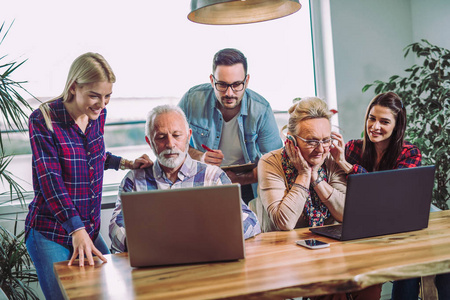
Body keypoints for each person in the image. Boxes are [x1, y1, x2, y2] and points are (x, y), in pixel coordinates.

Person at [25, 52, 151, 300]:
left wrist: (127, 163)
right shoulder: (43, 119)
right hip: (52, 233)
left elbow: (93, 156)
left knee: (109, 293)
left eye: (107, 97)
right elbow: (50, 180)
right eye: (94, 95)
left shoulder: (97, 115)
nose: (102, 104)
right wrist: (76, 230)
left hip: (87, 231)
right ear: (74, 88)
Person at [255, 97, 381, 299]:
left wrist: (317, 180)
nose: (321, 149)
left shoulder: (331, 160)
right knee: (331, 289)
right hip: (287, 252)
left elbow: (347, 214)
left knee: (370, 280)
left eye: (325, 140)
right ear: (292, 140)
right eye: (312, 141)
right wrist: (303, 175)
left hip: (331, 250)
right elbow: (284, 222)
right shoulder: (270, 163)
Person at [330, 91, 449, 300]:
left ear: (397, 126)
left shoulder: (410, 153)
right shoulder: (353, 148)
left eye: (384, 121)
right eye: (372, 118)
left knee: (442, 257)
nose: (375, 127)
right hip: (371, 220)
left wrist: (346, 165)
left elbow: (388, 194)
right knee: (409, 259)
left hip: (404, 216)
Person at [109, 105, 261, 253]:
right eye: (161, 137)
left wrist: (210, 237)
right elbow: (116, 227)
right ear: (149, 142)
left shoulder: (213, 176)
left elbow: (250, 221)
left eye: (176, 135)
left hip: (204, 261)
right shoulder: (134, 181)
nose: (170, 144)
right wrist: (153, 244)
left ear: (188, 136)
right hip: (152, 264)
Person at [178, 48, 282, 204]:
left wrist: (241, 180)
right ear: (212, 81)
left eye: (236, 85)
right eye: (222, 85)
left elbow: (277, 161)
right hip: (202, 179)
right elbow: (172, 145)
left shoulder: (261, 110)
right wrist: (200, 156)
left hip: (246, 183)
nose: (229, 93)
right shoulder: (192, 100)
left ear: (246, 81)